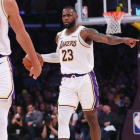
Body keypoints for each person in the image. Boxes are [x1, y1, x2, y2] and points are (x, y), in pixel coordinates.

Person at [37, 6, 138, 140]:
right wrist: (41, 57)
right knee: (62, 118)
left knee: (91, 118)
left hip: (85, 79)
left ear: (76, 16)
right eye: (64, 16)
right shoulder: (59, 36)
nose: (66, 18)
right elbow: (59, 56)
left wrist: (122, 39)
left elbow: (104, 38)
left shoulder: (85, 32)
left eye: (69, 15)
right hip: (67, 81)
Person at [0, 0, 42, 140]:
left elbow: (21, 33)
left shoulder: (6, 2)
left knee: (1, 120)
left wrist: (35, 61)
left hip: (1, 61)